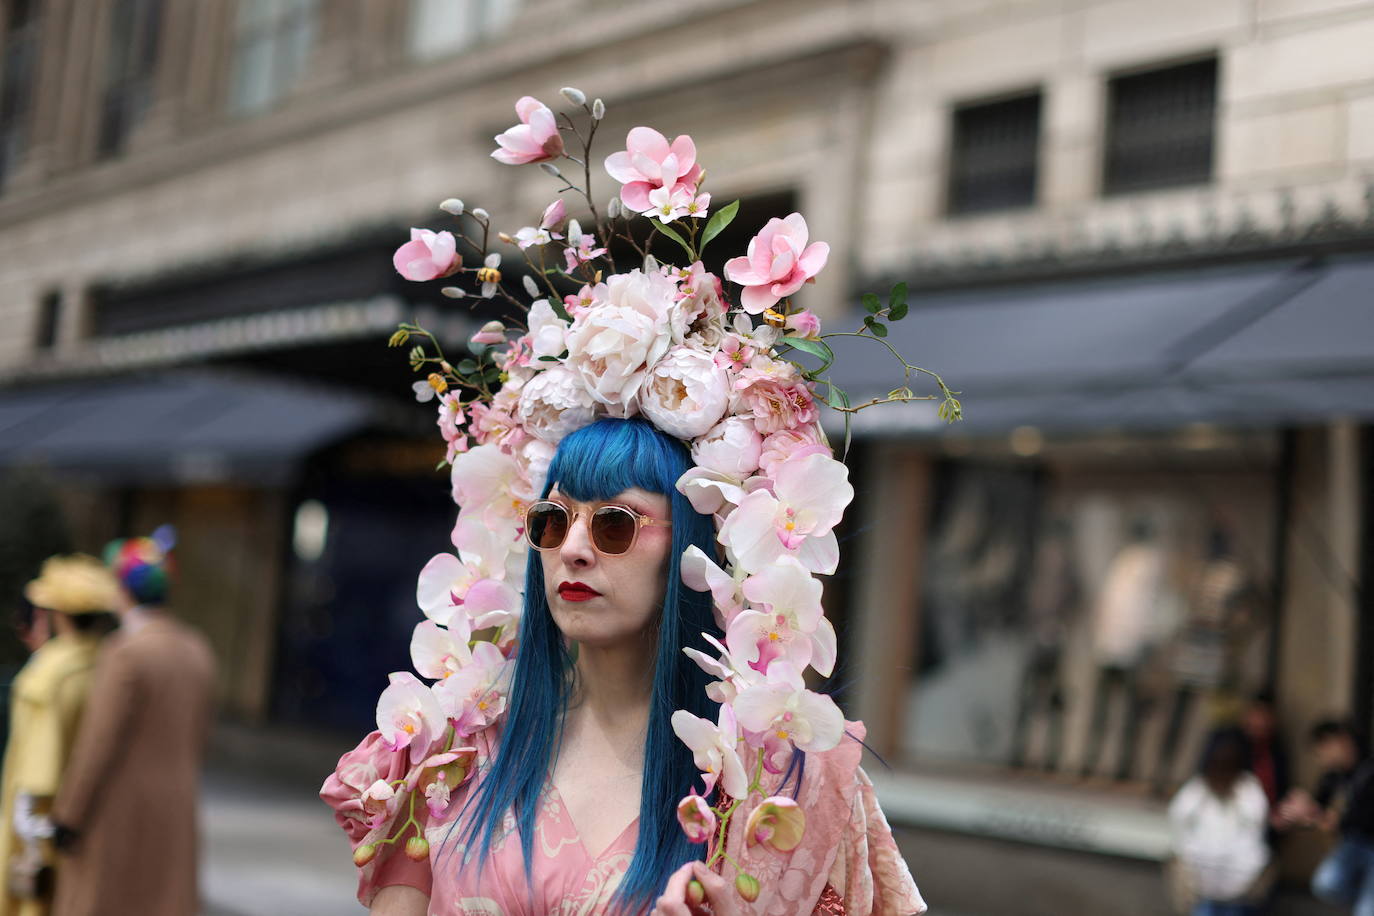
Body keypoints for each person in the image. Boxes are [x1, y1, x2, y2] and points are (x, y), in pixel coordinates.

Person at [323, 418, 926, 915]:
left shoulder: (786, 784)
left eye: (615, 523)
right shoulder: (453, 751)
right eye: (553, 521)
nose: (574, 549)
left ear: (693, 545)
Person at [49, 528, 217, 916]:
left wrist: (68, 816)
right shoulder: (196, 649)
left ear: (119, 590)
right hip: (177, 810)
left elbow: (98, 743)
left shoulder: (125, 653)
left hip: (118, 814)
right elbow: (201, 736)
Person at [0, 556, 119, 916]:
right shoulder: (110, 664)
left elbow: (38, 771)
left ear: (58, 614)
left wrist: (28, 837)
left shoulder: (47, 675)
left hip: (48, 820)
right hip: (96, 816)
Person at [1167, 728, 1272, 916]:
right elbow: (1178, 818)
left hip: (1240, 878)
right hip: (1201, 876)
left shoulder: (1247, 788)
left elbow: (1257, 823)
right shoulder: (1199, 788)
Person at [1276, 720, 1374, 915]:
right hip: (1353, 842)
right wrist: (1298, 812)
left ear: (1342, 741)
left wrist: (1323, 818)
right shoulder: (1332, 775)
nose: (1321, 756)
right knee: (1326, 885)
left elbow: (1360, 818)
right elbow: (1318, 806)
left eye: (1324, 747)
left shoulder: (1368, 770)